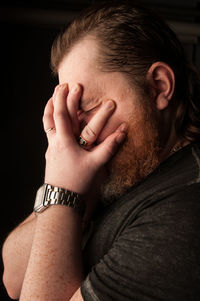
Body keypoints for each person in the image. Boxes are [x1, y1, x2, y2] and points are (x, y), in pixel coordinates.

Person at [2, 1, 200, 300]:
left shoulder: (183, 216)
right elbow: (14, 278)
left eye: (89, 107)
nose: (76, 135)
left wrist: (61, 186)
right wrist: (69, 191)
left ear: (159, 87)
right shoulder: (123, 169)